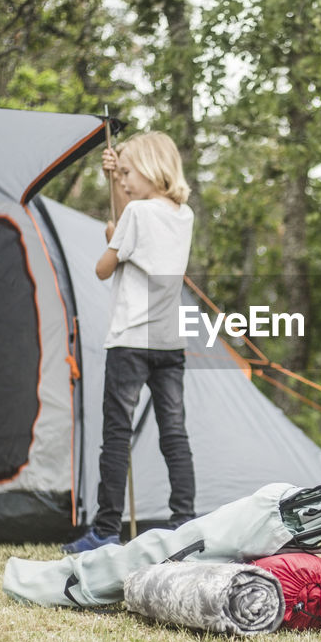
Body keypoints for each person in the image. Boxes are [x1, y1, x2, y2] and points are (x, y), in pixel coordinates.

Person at [63, 131, 197, 553]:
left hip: (130, 340)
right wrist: (119, 226)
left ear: (152, 168)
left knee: (116, 435)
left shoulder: (136, 215)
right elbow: (133, 222)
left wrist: (111, 239)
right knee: (174, 433)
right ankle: (184, 522)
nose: (121, 182)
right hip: (169, 343)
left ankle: (104, 530)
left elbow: (104, 268)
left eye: (127, 173)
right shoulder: (183, 214)